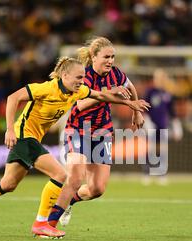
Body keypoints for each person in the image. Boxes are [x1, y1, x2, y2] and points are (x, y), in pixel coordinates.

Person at [0, 56, 149, 238]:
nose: (81, 81)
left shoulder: (77, 91)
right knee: (61, 175)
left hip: (31, 139)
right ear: (64, 75)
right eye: (78, 77)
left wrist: (132, 104)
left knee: (7, 184)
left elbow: (101, 96)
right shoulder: (46, 88)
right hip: (24, 136)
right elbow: (13, 98)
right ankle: (41, 223)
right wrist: (9, 129)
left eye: (82, 78)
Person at [46, 36, 145, 228]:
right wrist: (110, 92)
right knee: (75, 177)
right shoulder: (84, 76)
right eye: (106, 57)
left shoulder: (116, 74)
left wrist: (136, 112)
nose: (110, 61)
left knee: (97, 189)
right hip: (78, 129)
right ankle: (48, 225)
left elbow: (130, 87)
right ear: (93, 56)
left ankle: (69, 202)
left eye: (113, 57)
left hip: (102, 132)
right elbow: (81, 104)